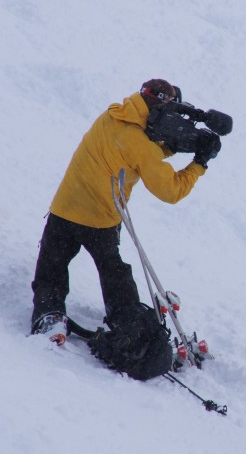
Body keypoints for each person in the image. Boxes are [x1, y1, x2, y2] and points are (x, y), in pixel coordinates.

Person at [30, 79, 220, 348]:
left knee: (52, 270)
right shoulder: (141, 146)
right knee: (115, 274)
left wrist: (172, 146)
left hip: (64, 209)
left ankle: (49, 317)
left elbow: (137, 149)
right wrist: (199, 163)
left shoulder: (113, 115)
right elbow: (171, 191)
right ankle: (128, 325)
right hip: (100, 221)